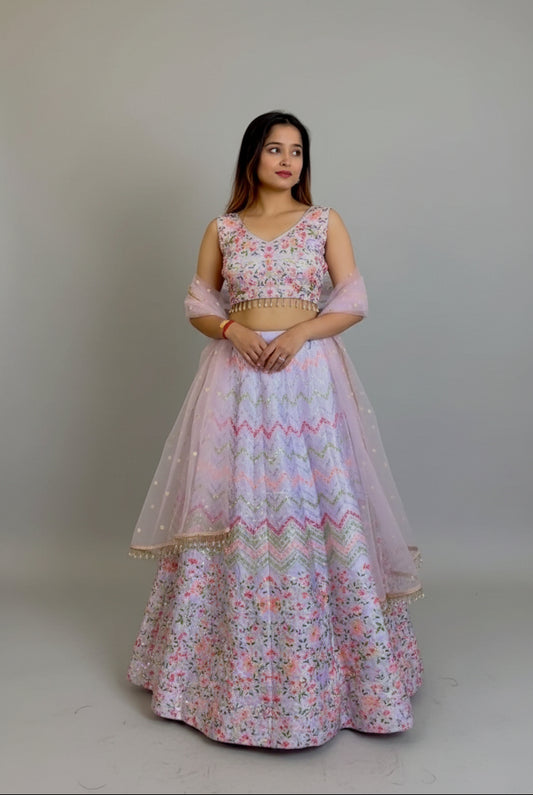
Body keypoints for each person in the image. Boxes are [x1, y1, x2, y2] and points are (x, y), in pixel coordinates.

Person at [127, 110, 423, 749]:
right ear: (251, 158)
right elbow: (200, 303)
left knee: (314, 504)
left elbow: (351, 298)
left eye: (296, 151)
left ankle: (347, 680)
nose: (286, 161)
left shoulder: (323, 220)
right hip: (234, 376)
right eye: (273, 149)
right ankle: (211, 679)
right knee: (234, 503)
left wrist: (298, 332)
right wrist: (234, 331)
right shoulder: (223, 228)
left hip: (305, 372)